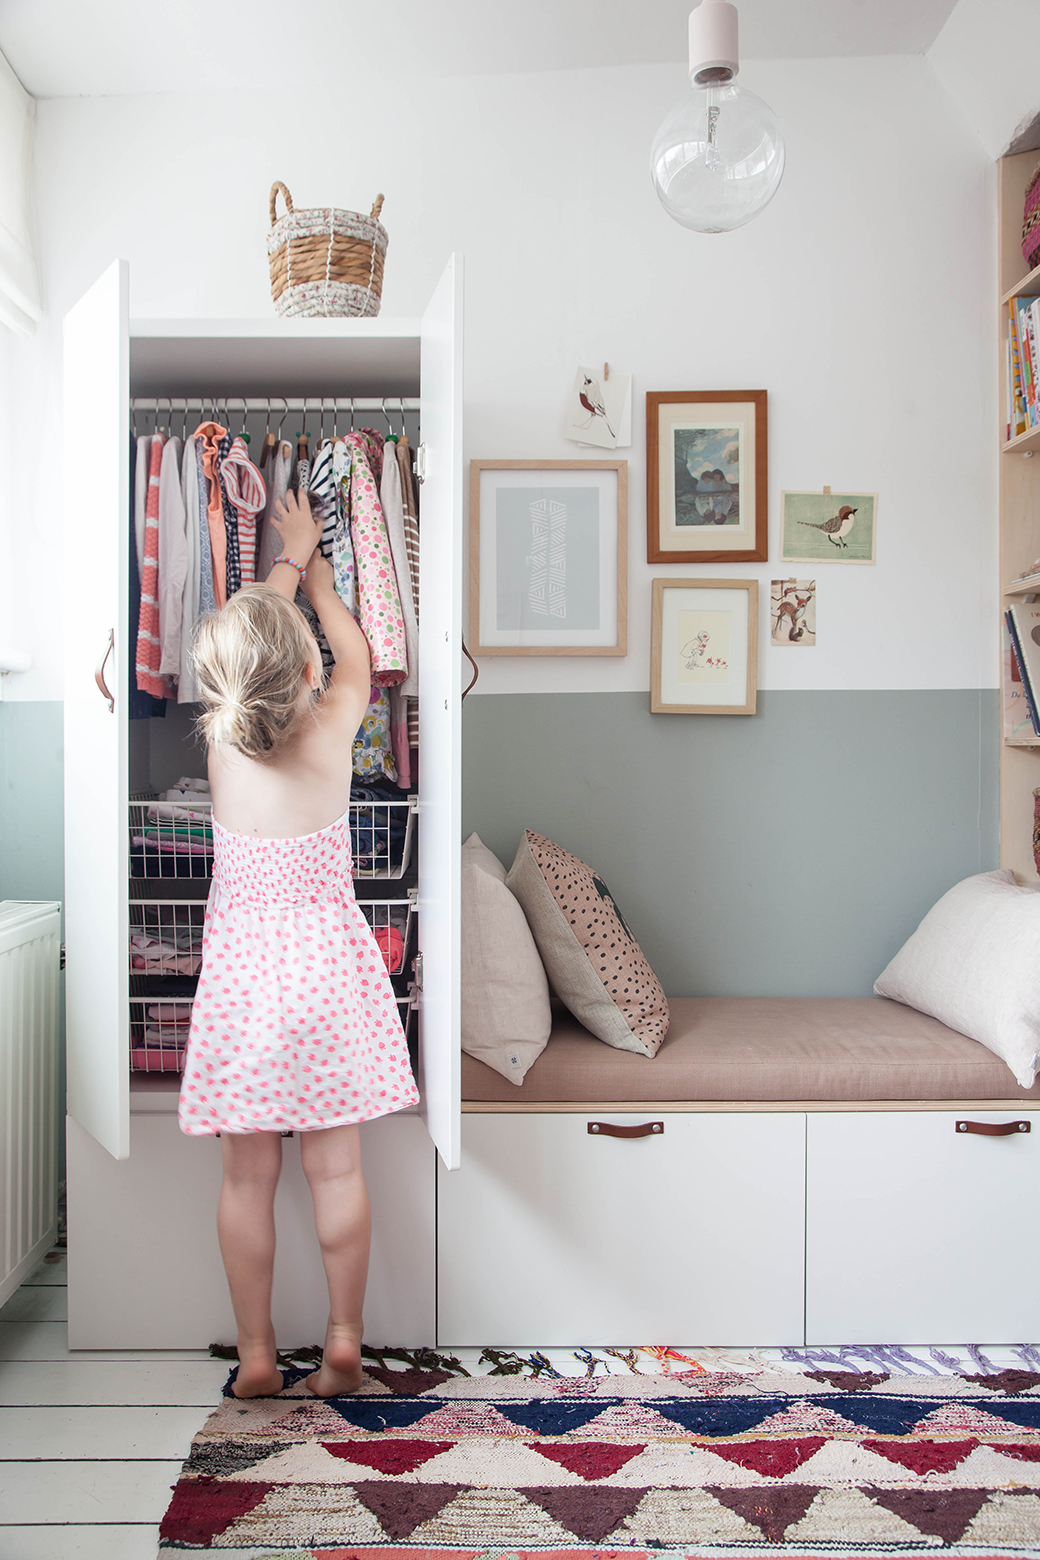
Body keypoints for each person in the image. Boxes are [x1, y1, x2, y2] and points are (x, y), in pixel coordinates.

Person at [177, 489, 419, 1400]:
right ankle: (346, 1340)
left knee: (246, 1180)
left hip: (244, 982)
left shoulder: (223, 748)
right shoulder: (332, 725)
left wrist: (280, 566)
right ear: (308, 673)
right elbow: (354, 655)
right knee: (336, 1168)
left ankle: (256, 1357)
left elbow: (253, 651)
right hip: (326, 975)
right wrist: (320, 576)